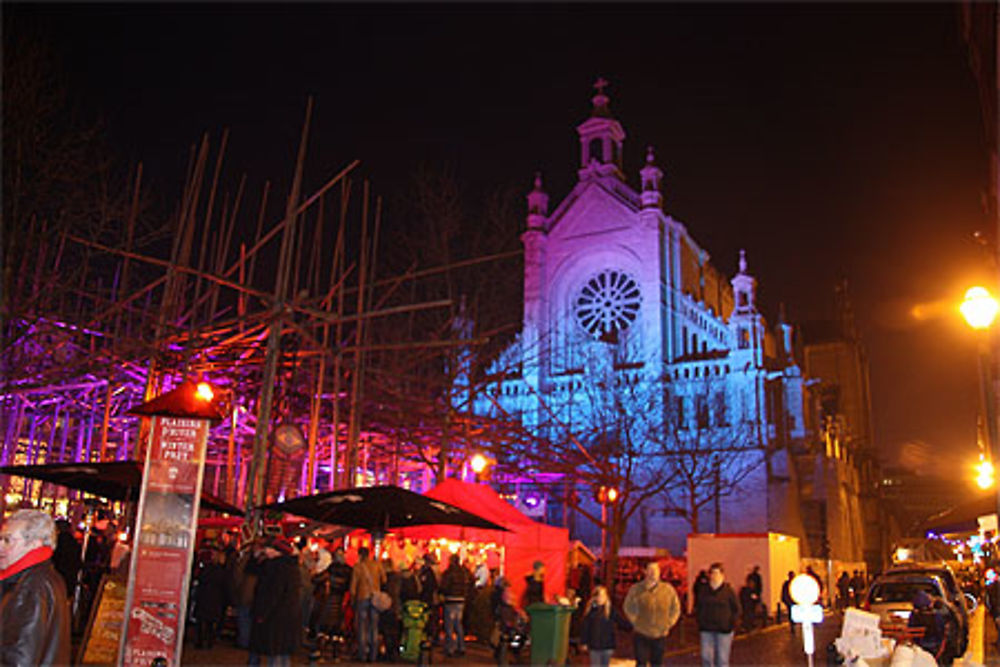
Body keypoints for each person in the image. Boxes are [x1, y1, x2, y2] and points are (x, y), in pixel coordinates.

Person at [0, 509, 71, 666]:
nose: (0, 547)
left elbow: (19, 658)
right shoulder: (46, 577)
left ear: (34, 544)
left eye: (8, 540)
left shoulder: (30, 586)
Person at [249, 536, 302, 667]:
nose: (266, 550)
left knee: (276, 654)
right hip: (285, 618)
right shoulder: (290, 566)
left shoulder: (277, 568)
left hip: (275, 618)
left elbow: (273, 594)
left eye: (268, 548)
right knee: (281, 654)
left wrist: (262, 613)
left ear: (277, 551)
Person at [623, 562, 681, 667]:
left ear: (659, 572)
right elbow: (628, 607)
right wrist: (635, 621)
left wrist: (669, 623)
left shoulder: (668, 590)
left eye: (656, 570)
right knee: (641, 663)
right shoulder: (636, 589)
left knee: (657, 663)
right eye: (650, 570)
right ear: (645, 572)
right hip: (641, 633)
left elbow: (675, 608)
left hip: (660, 633)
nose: (653, 573)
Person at [695, 563, 740, 667]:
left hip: (724, 631)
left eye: (717, 573)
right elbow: (698, 607)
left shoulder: (728, 591)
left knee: (722, 659)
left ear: (722, 575)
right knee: (706, 657)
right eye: (712, 573)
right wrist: (700, 621)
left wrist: (731, 624)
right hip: (706, 629)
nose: (714, 576)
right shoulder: (704, 591)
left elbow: (736, 609)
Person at [349, 545, 386, 662]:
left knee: (362, 626)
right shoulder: (377, 565)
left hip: (362, 597)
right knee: (374, 626)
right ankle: (373, 655)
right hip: (375, 599)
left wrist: (352, 600)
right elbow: (384, 579)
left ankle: (363, 654)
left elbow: (353, 586)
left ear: (360, 555)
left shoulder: (358, 567)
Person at [580, 585, 631, 667]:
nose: (601, 598)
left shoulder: (610, 610)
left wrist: (633, 625)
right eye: (599, 595)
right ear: (594, 597)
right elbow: (585, 628)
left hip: (607, 645)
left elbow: (621, 621)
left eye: (603, 595)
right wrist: (584, 642)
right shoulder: (590, 612)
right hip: (594, 645)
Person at [194, 548, 228, 650]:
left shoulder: (207, 568)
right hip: (215, 599)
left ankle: (199, 642)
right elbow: (225, 585)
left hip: (204, 597)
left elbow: (201, 579)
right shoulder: (222, 571)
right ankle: (209, 642)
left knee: (201, 622)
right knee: (210, 623)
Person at [440, 553, 470, 657]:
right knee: (458, 624)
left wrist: (442, 593)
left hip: (450, 599)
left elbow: (444, 586)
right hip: (461, 600)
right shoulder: (464, 572)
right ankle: (461, 646)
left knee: (449, 625)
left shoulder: (449, 573)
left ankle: (450, 648)